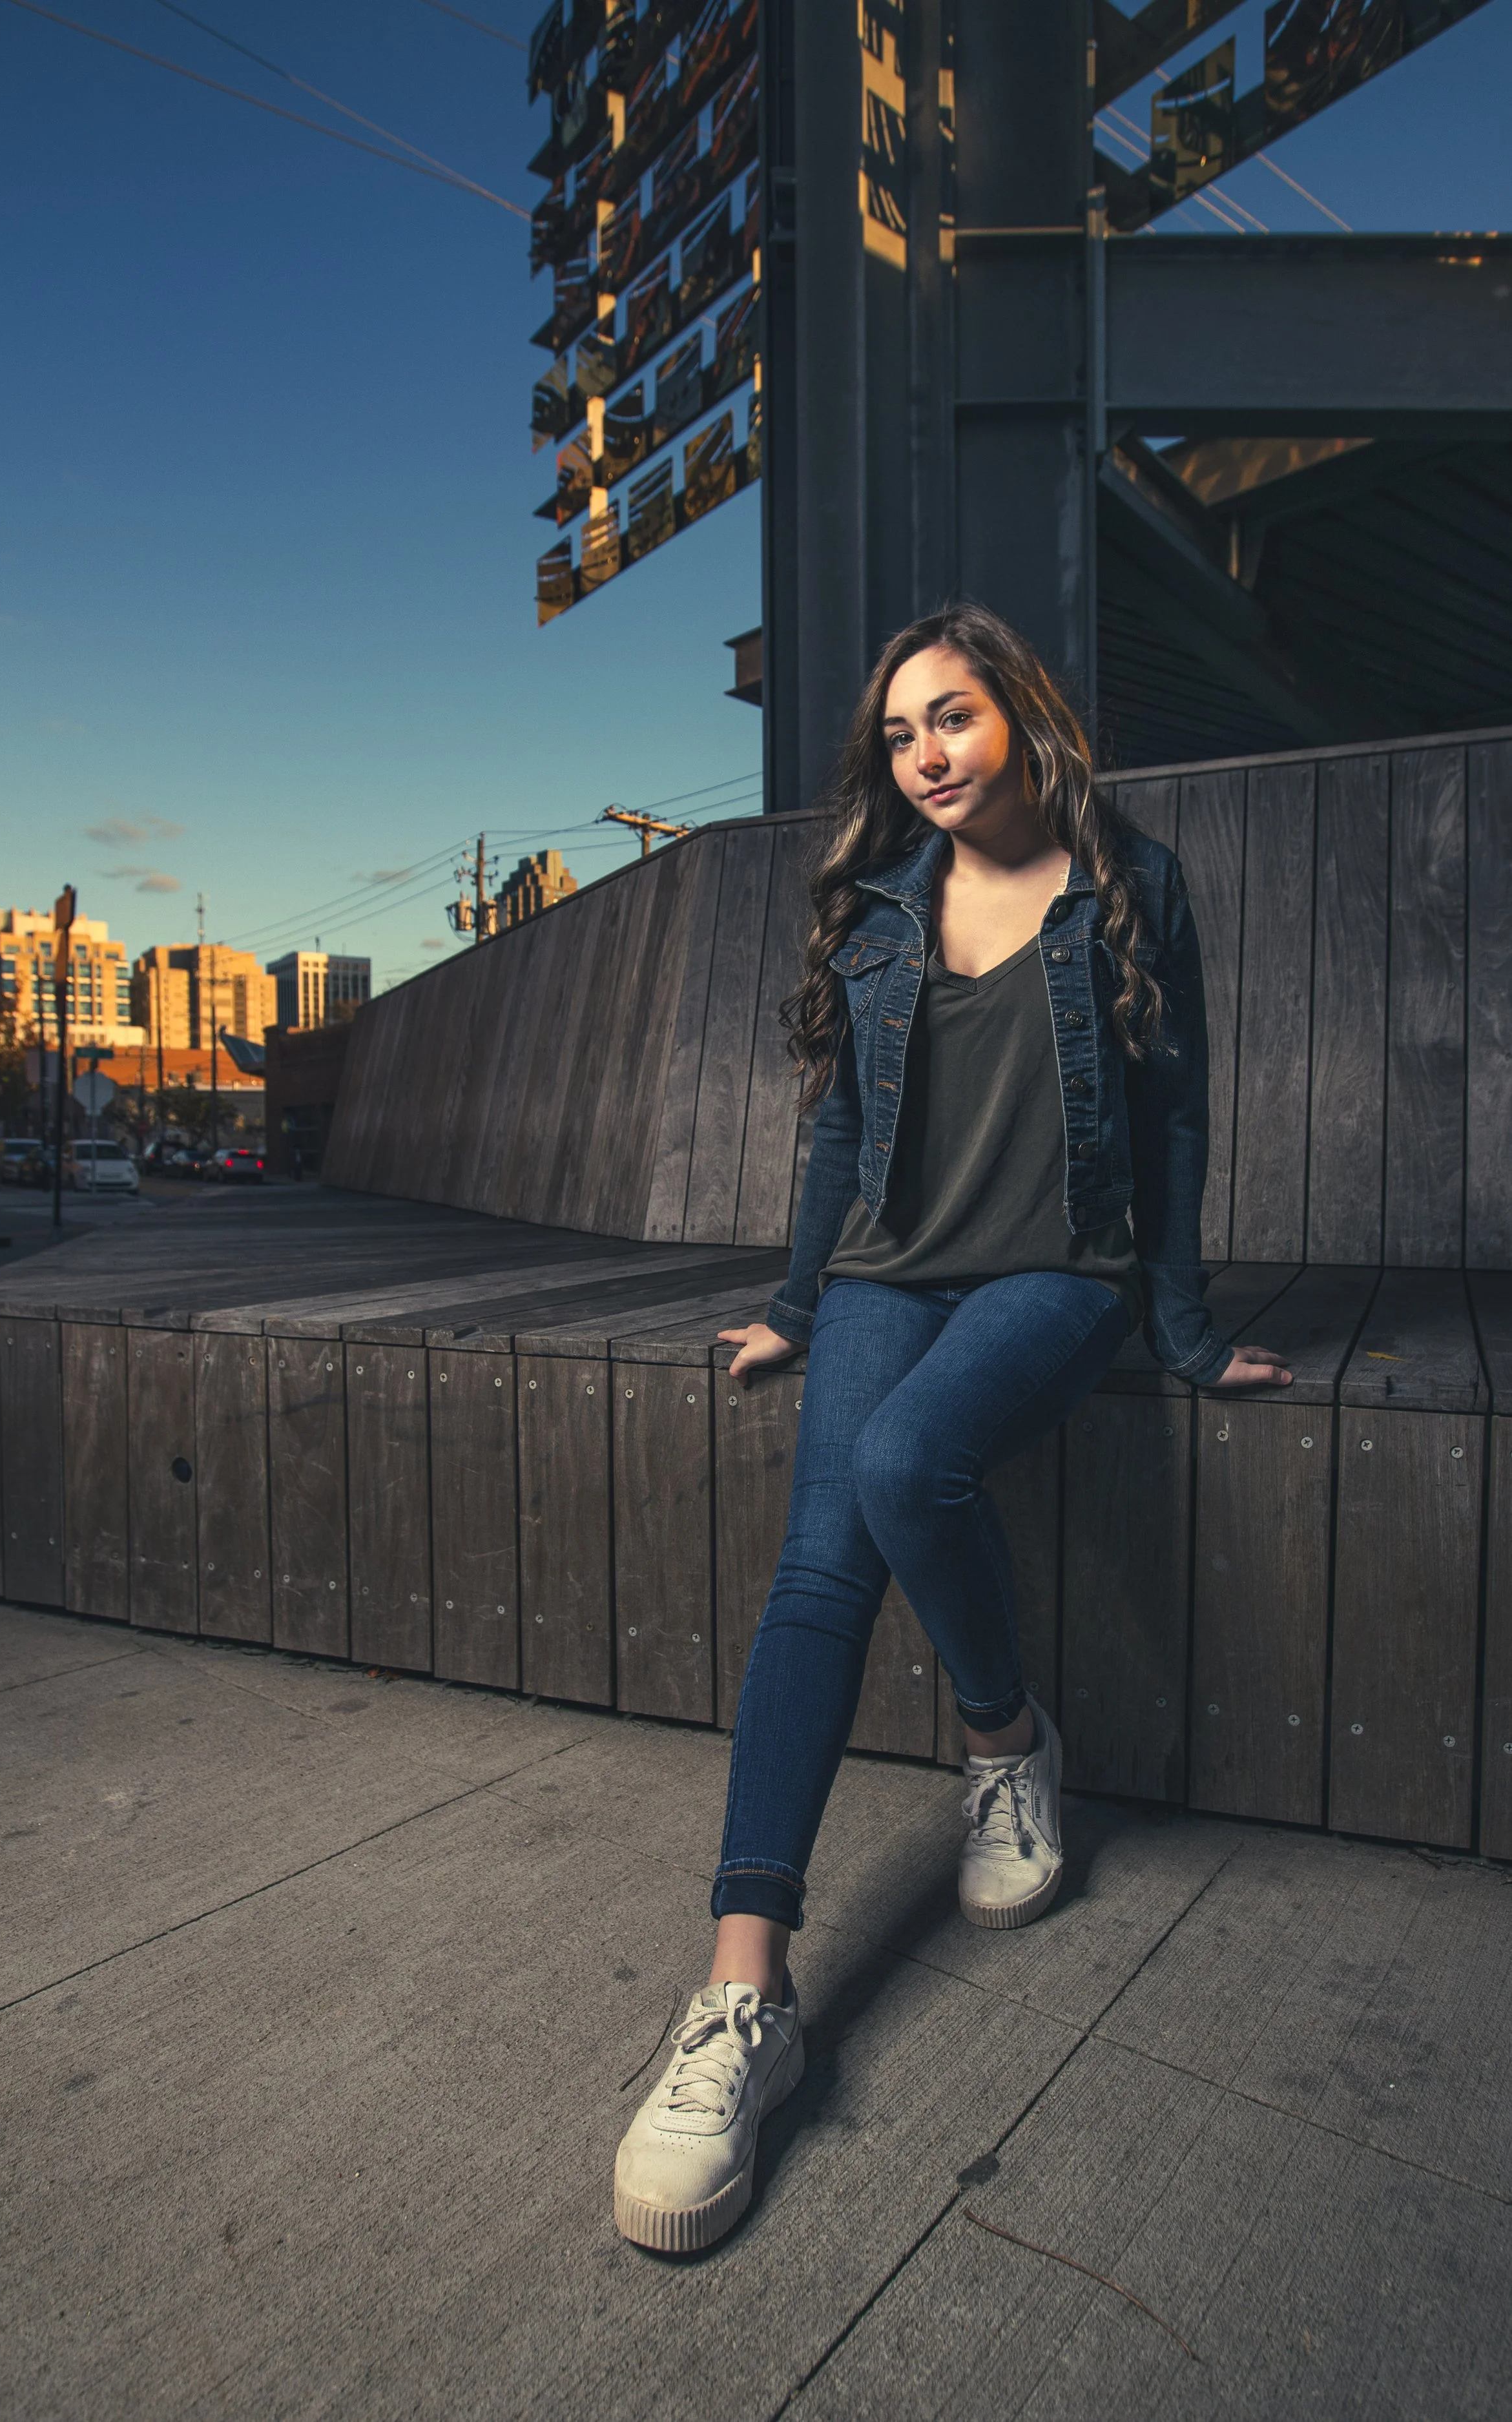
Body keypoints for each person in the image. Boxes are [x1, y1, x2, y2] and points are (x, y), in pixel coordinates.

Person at [612, 603, 1294, 2255]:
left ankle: (1004, 1745)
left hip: (1060, 1273)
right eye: (900, 733)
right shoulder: (874, 917)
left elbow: (1174, 1114)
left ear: (1021, 717)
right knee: (816, 1570)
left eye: (953, 719)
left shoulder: (1132, 885)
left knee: (909, 1462)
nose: (924, 754)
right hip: (884, 1278)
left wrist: (1186, 1332)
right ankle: (737, 2007)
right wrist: (793, 1300)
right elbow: (839, 1130)